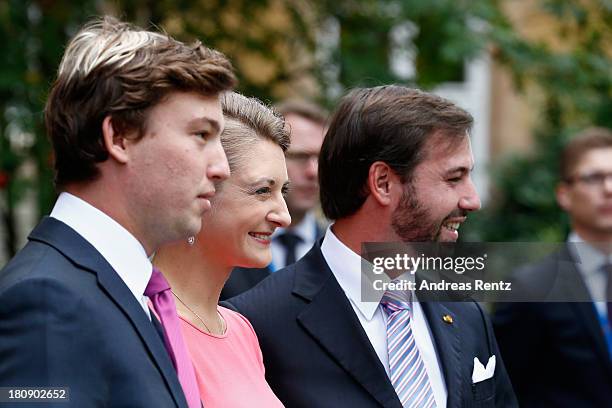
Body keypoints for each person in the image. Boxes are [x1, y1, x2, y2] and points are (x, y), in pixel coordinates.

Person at [226, 85, 517, 407]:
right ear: (383, 183)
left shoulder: (466, 314)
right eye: (453, 178)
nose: (472, 200)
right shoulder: (255, 324)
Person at [0, 16, 236, 407]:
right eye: (201, 135)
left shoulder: (121, 288)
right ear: (120, 136)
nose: (221, 167)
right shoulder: (47, 300)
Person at [153, 92, 289, 407]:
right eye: (262, 191)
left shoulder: (241, 330)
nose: (284, 216)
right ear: (201, 190)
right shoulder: (146, 324)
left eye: (283, 192)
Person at [493, 127, 612, 407]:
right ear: (564, 194)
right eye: (594, 178)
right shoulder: (530, 289)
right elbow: (506, 392)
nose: (609, 189)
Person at [221, 100, 327, 300]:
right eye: (300, 156)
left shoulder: (337, 250)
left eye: (322, 158)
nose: (314, 171)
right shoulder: (220, 244)